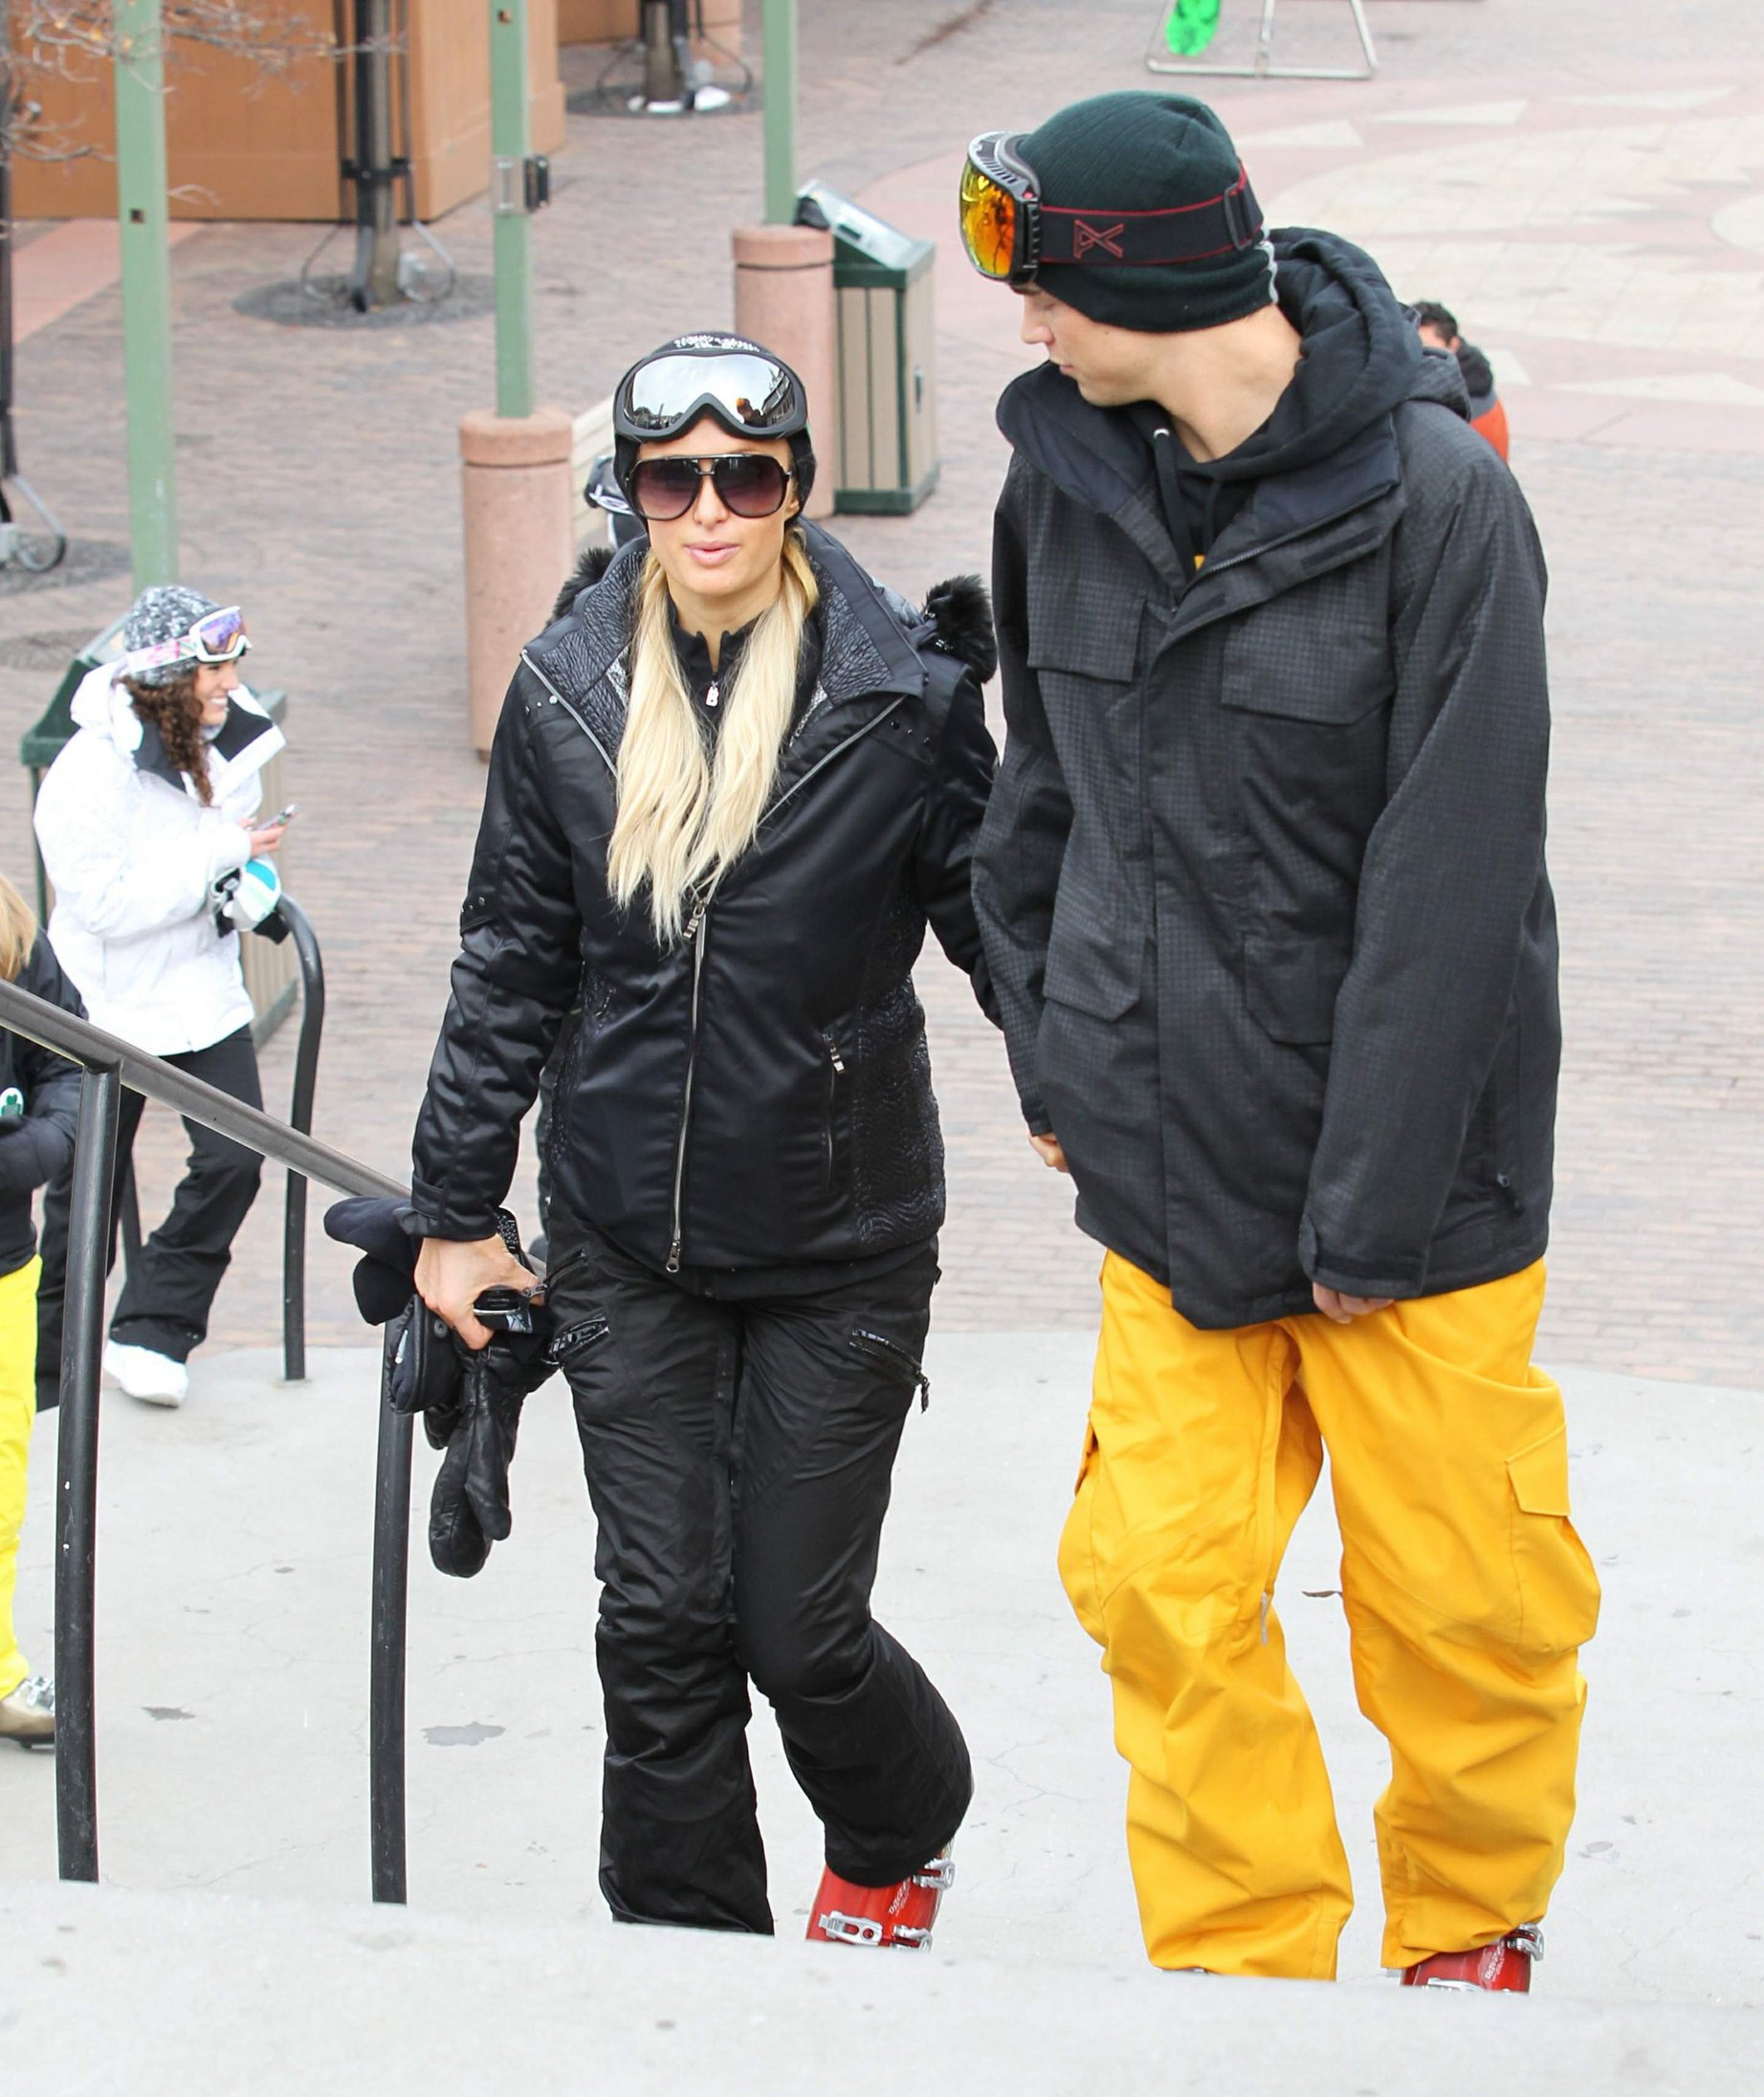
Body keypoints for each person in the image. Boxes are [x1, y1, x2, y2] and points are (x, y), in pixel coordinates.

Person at [960, 93, 1599, 1990]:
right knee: (1153, 1585)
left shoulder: (1441, 506)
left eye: (1036, 273)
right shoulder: (1055, 488)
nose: (1022, 326)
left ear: (1141, 269)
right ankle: (1244, 1970)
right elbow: (1036, 806)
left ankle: (1469, 1935)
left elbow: (1456, 881)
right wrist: (1050, 1055)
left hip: (1414, 1202)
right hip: (1163, 1163)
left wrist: (1365, 1218)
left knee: (1462, 1607)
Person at [409, 335, 998, 1944]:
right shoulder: (565, 693)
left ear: (796, 489)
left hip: (840, 1237)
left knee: (796, 1631)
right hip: (624, 1232)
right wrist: (453, 1211)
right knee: (657, 1619)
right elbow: (507, 956)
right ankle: (685, 1976)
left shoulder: (907, 695)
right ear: (634, 495)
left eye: (748, 477)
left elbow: (999, 927)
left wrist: (1105, 1099)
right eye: (675, 481)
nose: (712, 512)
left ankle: (896, 1825)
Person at [33, 587, 287, 1410]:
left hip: (202, 994)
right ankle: (46, 1365)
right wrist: (220, 850)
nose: (231, 682)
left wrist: (245, 881)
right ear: (168, 676)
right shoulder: (84, 775)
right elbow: (103, 906)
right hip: (105, 1007)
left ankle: (153, 1327)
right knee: (86, 1192)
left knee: (235, 1159)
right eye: (215, 669)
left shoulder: (222, 740)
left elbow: (216, 860)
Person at [0, 871, 83, 1748]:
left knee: (2, 1472)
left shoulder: (15, 934)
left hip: (2, 1265)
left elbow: (66, 1068)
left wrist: (30, 1149)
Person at [1412, 299, 1510, 461]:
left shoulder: (1471, 402)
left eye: (1428, 349)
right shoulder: (1470, 380)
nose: (1419, 355)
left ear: (1453, 345)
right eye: (1411, 345)